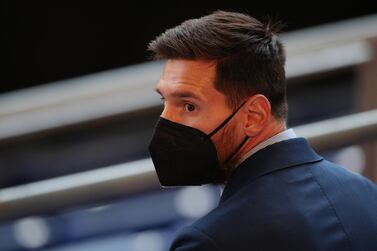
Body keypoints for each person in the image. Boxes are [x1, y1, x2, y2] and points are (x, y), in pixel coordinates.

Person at [147, 10, 377, 251]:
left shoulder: (209, 241)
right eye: (165, 101)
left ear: (254, 116)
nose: (166, 121)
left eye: (189, 106)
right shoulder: (366, 193)